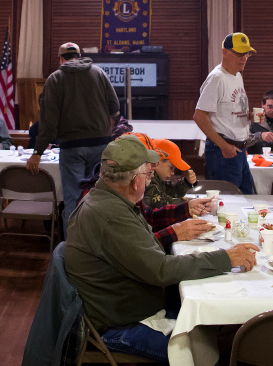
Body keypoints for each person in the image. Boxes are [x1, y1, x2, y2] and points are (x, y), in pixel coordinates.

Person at [64, 135, 259, 361]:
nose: (149, 179)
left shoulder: (108, 199)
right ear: (136, 181)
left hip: (125, 306)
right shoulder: (111, 215)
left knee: (213, 321)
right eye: (148, 174)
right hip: (120, 324)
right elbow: (161, 270)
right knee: (206, 351)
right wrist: (226, 258)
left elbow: (146, 251)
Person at [27, 41, 120, 234]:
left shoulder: (55, 78)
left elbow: (48, 121)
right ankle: (97, 245)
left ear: (60, 58)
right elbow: (115, 107)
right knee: (100, 197)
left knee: (73, 200)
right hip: (101, 145)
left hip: (72, 146)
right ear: (79, 56)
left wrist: (38, 152)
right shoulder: (99, 73)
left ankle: (73, 250)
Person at [193, 32, 257, 194]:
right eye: (239, 53)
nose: (244, 58)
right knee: (227, 203)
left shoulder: (237, 75)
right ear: (225, 52)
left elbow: (230, 109)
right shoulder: (217, 78)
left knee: (247, 199)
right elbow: (199, 116)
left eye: (247, 54)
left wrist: (249, 116)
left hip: (238, 150)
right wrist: (223, 146)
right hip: (223, 151)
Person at [134, 133, 197, 207]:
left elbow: (172, 193)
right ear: (157, 161)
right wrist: (191, 203)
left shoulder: (157, 179)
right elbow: (162, 203)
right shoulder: (148, 180)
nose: (173, 173)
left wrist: (186, 182)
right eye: (171, 168)